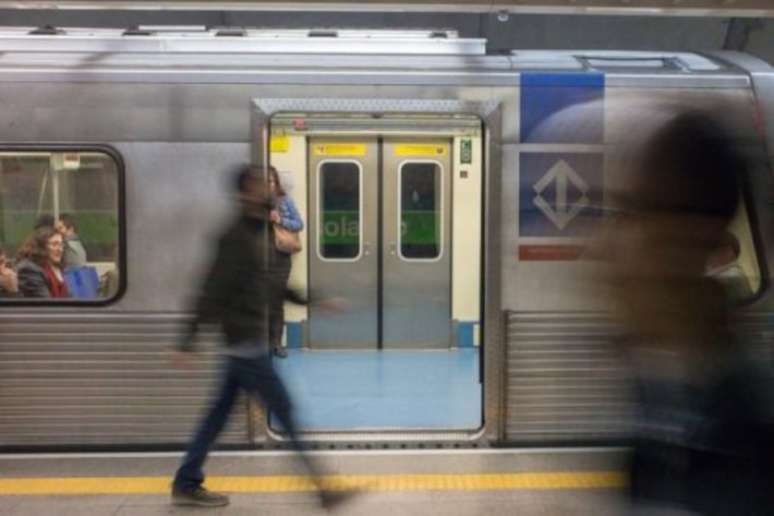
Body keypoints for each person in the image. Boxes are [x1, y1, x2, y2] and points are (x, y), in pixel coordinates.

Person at [602, 110, 774, 515]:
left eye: (632, 212)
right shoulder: (659, 398)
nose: (606, 242)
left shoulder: (745, 433)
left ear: (690, 235)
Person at [171, 165, 354, 509]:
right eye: (260, 185)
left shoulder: (262, 233)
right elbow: (211, 291)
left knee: (217, 416)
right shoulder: (235, 238)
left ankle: (186, 480)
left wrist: (315, 300)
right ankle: (324, 488)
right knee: (285, 410)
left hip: (249, 341)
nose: (267, 188)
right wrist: (187, 340)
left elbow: (274, 285)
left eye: (269, 183)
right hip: (244, 342)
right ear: (245, 193)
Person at [268, 166, 304, 359]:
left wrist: (280, 219)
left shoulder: (284, 201)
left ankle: (276, 343)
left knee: (276, 301)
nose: (268, 185)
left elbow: (299, 224)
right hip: (259, 257)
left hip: (280, 256)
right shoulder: (254, 205)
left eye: (271, 181)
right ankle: (261, 342)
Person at [15, 227, 69, 298]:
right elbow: (46, 304)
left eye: (61, 245)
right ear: (41, 246)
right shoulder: (29, 270)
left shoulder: (56, 268)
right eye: (54, 244)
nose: (60, 249)